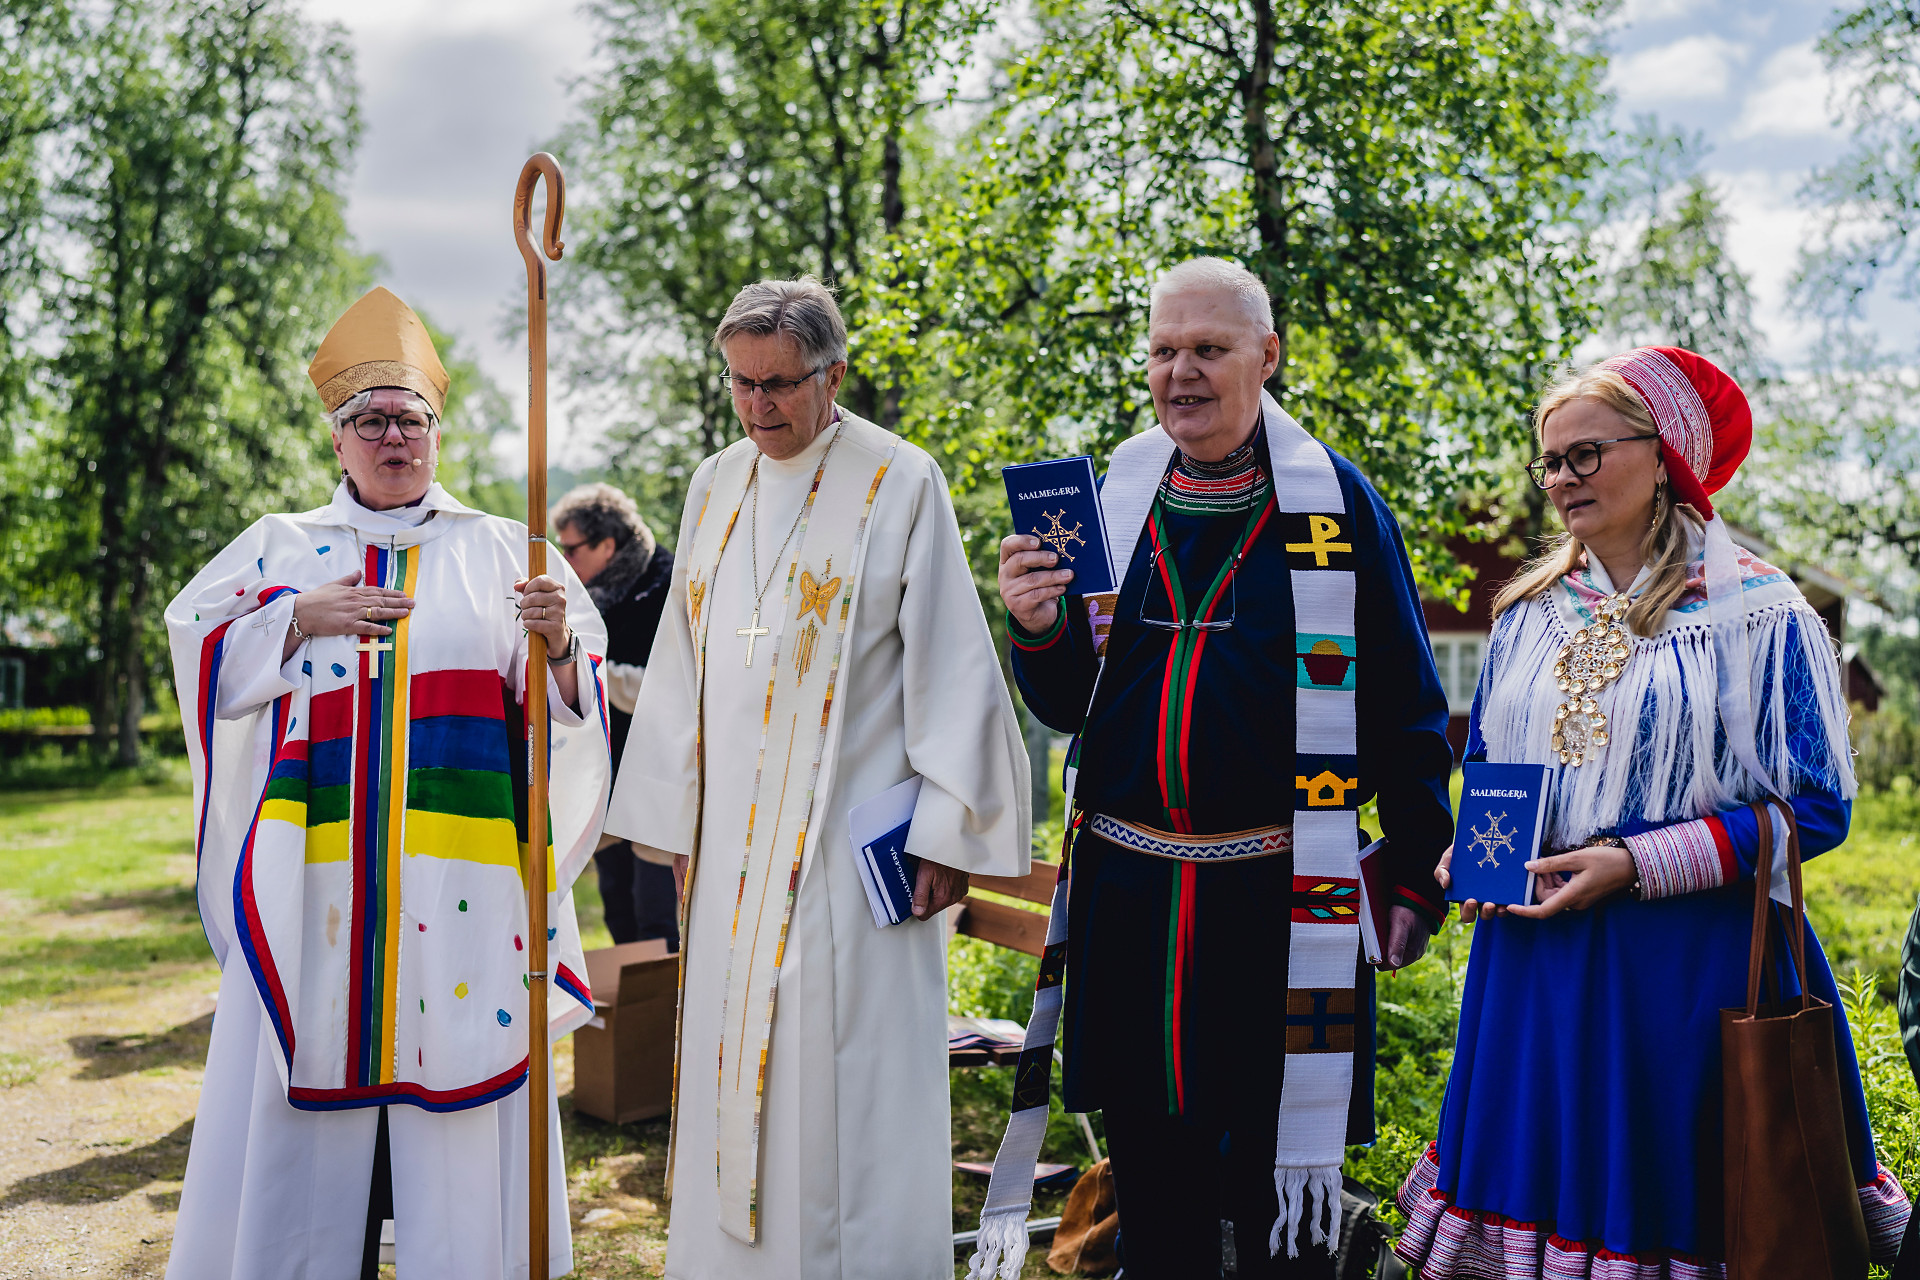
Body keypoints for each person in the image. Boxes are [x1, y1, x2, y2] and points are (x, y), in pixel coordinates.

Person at [975, 257, 1455, 1280]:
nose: (1179, 371)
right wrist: (1038, 625)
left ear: (1267, 357)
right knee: (1158, 1204)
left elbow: (1410, 707)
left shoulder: (1340, 507)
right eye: (1162, 350)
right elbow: (1071, 703)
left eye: (1208, 348)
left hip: (1277, 905)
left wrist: (1414, 870)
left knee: (1280, 1211)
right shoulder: (1114, 499)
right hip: (1135, 904)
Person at [1392, 348, 1913, 1278]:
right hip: (1532, 970)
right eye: (1549, 462)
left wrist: (1636, 862)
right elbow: (1492, 764)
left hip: (1682, 975)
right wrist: (1475, 856)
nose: (1560, 481)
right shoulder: (1528, 612)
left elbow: (1818, 812)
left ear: (1665, 452)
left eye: (1584, 454)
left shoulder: (1760, 613)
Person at [163, 286, 610, 1280]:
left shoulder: (507, 547)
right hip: (316, 885)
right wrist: (292, 617)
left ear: (439, 433)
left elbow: (573, 711)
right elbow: (194, 645)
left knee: (455, 1141)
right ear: (337, 441)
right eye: (371, 420)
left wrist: (558, 643)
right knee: (302, 1138)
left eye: (412, 419)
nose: (394, 435)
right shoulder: (281, 545)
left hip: (461, 896)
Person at [603, 277, 1030, 1279]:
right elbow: (679, 664)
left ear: (833, 374)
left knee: (844, 1090)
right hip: (728, 870)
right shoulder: (715, 484)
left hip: (849, 855)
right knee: (726, 1086)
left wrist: (945, 833)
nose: (760, 407)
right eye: (742, 386)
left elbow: (953, 664)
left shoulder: (899, 480)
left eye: (781, 385)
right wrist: (672, 830)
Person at [552, 482, 679, 950]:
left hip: (658, 775)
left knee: (656, 920)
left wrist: (589, 670)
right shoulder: (586, 595)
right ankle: (627, 1023)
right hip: (605, 772)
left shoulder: (670, 584)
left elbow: (679, 686)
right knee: (619, 912)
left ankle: (662, 1024)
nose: (564, 559)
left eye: (571, 548)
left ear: (608, 544)